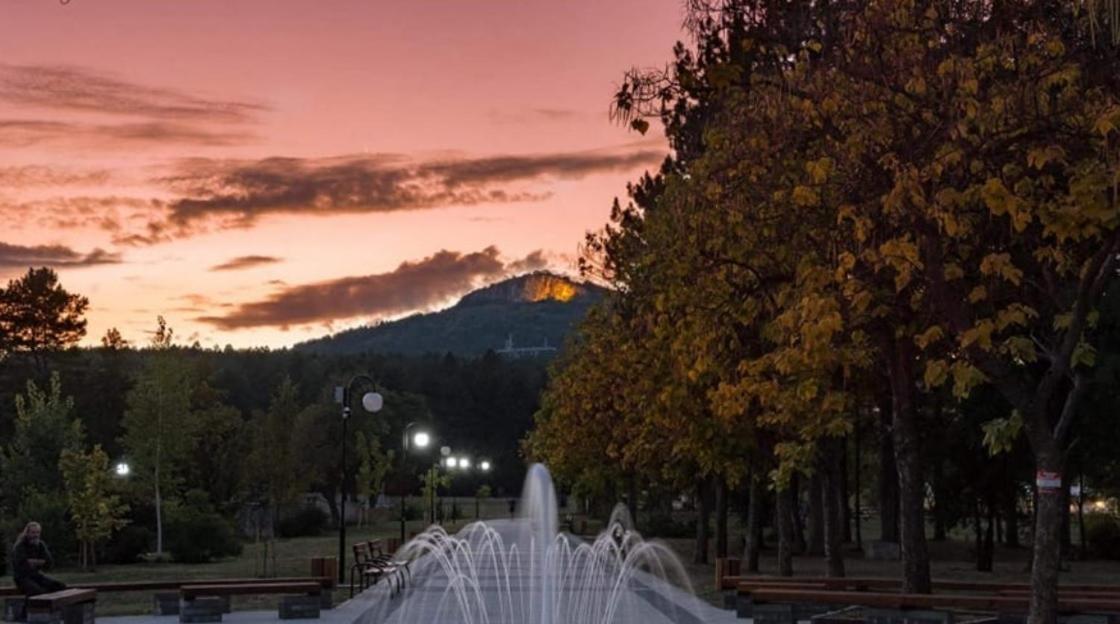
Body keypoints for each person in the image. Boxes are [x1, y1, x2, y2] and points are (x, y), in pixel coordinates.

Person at [11, 521, 66, 617]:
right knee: (37, 591)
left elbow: (49, 562)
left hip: (36, 575)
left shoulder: (40, 545)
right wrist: (39, 562)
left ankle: (54, 612)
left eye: (37, 532)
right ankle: (25, 614)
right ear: (27, 533)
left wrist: (33, 562)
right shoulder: (20, 546)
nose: (35, 535)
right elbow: (23, 564)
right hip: (22, 577)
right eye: (33, 532)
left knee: (59, 586)